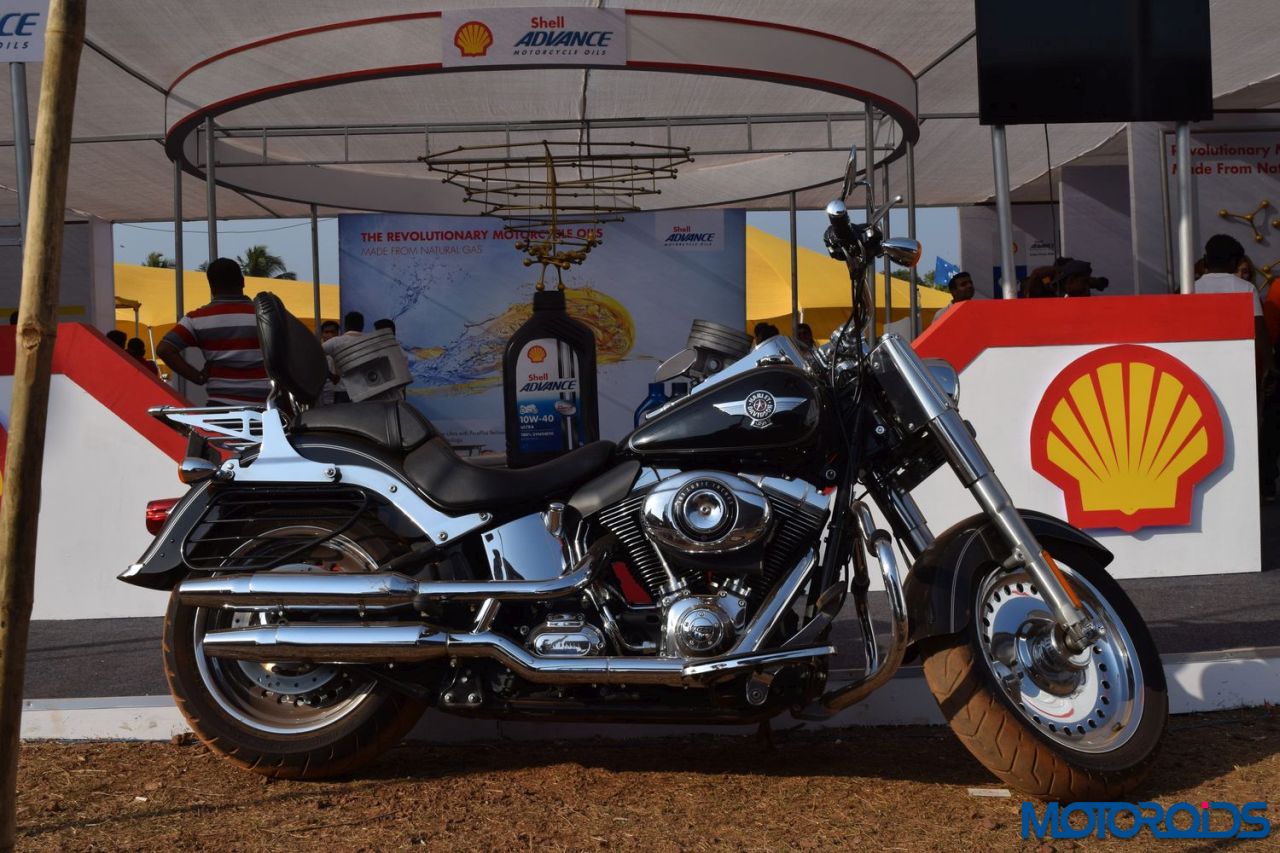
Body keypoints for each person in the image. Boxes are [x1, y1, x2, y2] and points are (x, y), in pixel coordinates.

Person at [156, 257, 269, 407]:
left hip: (220, 408)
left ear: (211, 287)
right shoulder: (266, 316)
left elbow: (164, 349)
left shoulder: (196, 319)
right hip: (265, 408)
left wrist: (198, 377)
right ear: (242, 282)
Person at [323, 311, 365, 404]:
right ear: (362, 325)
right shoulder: (369, 341)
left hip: (342, 392)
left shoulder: (335, 342)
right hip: (365, 391)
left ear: (346, 326)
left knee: (340, 414)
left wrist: (330, 375)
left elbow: (314, 354)